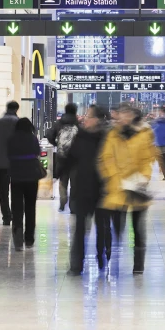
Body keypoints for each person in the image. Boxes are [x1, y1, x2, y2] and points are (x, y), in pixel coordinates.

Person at [98, 103, 158, 274]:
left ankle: (138, 265)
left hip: (138, 187)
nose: (122, 118)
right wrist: (116, 178)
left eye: (126, 114)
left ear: (133, 115)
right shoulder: (113, 134)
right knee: (116, 222)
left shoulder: (145, 134)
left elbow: (148, 158)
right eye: (121, 114)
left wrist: (143, 178)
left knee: (138, 227)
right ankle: (111, 252)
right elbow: (106, 157)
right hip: (117, 186)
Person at [64, 105, 111, 274]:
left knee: (102, 226)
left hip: (102, 189)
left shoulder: (108, 138)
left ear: (98, 120)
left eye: (89, 116)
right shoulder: (80, 137)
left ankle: (102, 256)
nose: (85, 118)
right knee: (80, 229)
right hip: (83, 188)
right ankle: (76, 265)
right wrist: (59, 174)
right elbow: (70, 159)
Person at [7, 117, 42, 251]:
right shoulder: (33, 138)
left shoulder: (11, 139)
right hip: (32, 177)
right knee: (30, 207)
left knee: (17, 207)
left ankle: (17, 237)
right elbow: (37, 153)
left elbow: (8, 154)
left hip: (16, 177)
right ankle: (29, 239)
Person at [0, 101, 20, 225]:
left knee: (3, 191)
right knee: (17, 191)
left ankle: (6, 216)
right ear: (16, 109)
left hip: (0, 163)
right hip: (17, 163)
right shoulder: (19, 123)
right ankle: (16, 215)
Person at [46, 103, 79, 212]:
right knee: (75, 183)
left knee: (63, 180)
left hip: (62, 156)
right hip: (76, 159)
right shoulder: (78, 124)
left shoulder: (59, 123)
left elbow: (49, 134)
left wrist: (56, 144)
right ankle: (73, 206)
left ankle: (62, 202)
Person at [152, 107, 165, 181]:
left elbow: (153, 131)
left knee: (161, 160)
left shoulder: (157, 121)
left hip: (158, 142)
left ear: (161, 111)